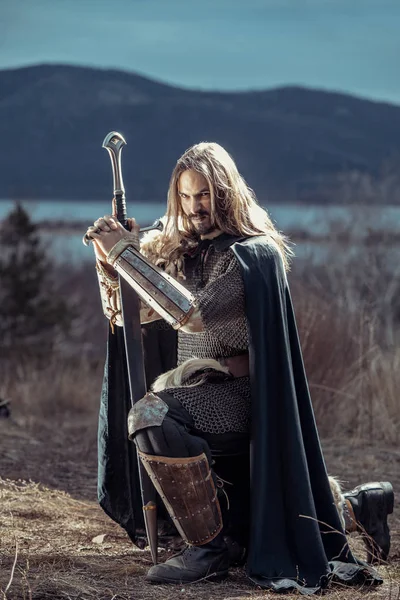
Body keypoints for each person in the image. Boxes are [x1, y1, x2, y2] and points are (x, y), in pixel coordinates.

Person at [86, 142, 393, 593]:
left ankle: (208, 551)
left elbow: (190, 314)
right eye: (187, 197)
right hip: (195, 392)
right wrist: (111, 259)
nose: (195, 208)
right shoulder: (179, 249)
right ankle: (356, 507)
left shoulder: (251, 254)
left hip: (243, 394)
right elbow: (125, 316)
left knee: (151, 415)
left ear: (226, 192)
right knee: (257, 521)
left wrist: (126, 257)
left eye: (205, 195)